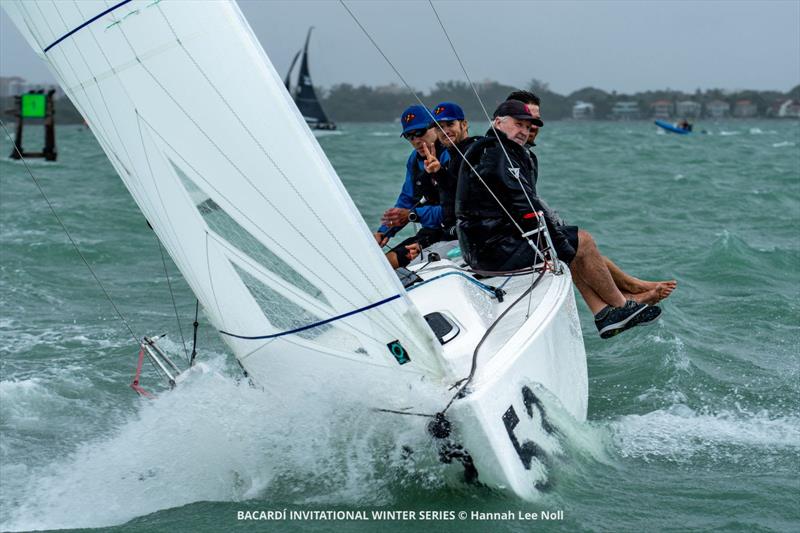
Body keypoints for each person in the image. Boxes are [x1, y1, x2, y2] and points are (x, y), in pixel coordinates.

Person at [456, 100, 661, 338]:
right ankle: (622, 306)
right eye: (517, 124)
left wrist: (560, 243)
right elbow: (526, 206)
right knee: (581, 241)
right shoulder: (500, 154)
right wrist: (561, 247)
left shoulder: (493, 149)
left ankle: (604, 312)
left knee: (569, 241)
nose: (523, 131)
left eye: (527, 126)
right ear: (498, 122)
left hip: (483, 248)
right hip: (494, 251)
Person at [506, 90, 676, 305]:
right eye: (524, 120)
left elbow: (530, 199)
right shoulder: (502, 154)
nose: (532, 125)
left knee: (577, 242)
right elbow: (520, 201)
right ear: (509, 119)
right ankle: (625, 298)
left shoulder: (523, 154)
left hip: (523, 230)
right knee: (578, 244)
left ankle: (629, 288)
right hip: (511, 240)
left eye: (536, 120)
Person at [375, 104, 449, 268]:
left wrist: (412, 215)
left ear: (435, 128)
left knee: (391, 263)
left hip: (456, 231)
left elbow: (454, 209)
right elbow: (407, 199)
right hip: (432, 231)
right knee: (381, 265)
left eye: (420, 132)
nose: (416, 140)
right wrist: (384, 231)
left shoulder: (451, 155)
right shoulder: (414, 161)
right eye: (410, 136)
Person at [427, 101, 480, 239]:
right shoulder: (452, 157)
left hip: (471, 236)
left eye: (450, 124)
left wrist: (439, 172)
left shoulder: (475, 152)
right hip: (452, 233)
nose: (445, 131)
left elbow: (467, 194)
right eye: (439, 127)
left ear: (464, 124)